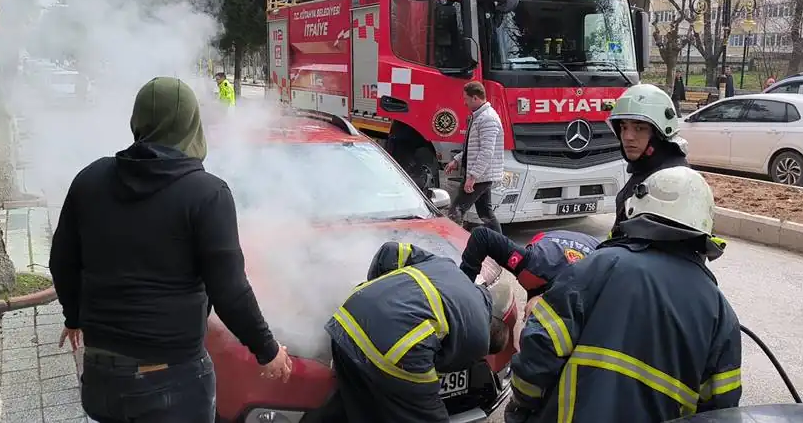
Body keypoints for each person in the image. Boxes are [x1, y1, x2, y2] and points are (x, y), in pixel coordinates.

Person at [50, 77, 290, 423]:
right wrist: (268, 351)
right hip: (171, 382)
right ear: (192, 126)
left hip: (102, 377)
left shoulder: (90, 179)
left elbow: (62, 261)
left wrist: (73, 316)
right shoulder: (207, 193)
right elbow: (230, 291)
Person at [504, 166, 742, 423]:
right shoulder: (719, 311)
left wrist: (522, 405)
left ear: (637, 208)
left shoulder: (598, 267)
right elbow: (721, 410)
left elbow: (540, 348)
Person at [324, 241, 510, 422]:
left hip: (346, 318)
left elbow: (391, 250)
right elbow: (439, 365)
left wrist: (380, 296)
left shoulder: (450, 268)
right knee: (430, 415)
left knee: (358, 404)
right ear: (489, 344)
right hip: (395, 350)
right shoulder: (479, 341)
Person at [608, 83, 689, 238]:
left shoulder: (671, 181)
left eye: (639, 128)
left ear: (659, 134)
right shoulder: (647, 169)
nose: (627, 137)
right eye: (624, 127)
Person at [460, 227, 600, 300]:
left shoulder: (587, 290)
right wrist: (462, 290)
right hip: (559, 246)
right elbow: (482, 236)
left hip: (588, 249)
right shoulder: (533, 262)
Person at [444, 81, 504, 233]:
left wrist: (473, 177)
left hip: (480, 176)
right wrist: (457, 160)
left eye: (466, 99)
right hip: (482, 175)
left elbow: (486, 152)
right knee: (485, 213)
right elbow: (473, 148)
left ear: (476, 98)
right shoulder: (480, 117)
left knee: (455, 211)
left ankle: (452, 244)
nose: (464, 103)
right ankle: (503, 247)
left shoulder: (487, 119)